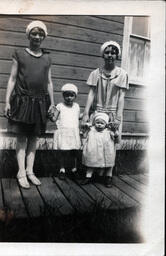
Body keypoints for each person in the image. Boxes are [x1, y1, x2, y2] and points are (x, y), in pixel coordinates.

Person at [4, 20, 55, 189]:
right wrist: (7, 102)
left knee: (34, 138)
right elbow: (12, 79)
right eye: (34, 33)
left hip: (40, 102)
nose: (37, 37)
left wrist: (52, 104)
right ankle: (20, 172)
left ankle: (30, 171)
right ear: (28, 35)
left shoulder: (47, 57)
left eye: (40, 34)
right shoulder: (19, 54)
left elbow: (49, 82)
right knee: (21, 138)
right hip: (22, 101)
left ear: (44, 37)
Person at [81, 40, 129, 187]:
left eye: (113, 52)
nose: (110, 55)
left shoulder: (122, 74)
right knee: (93, 144)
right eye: (107, 52)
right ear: (103, 54)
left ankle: (108, 174)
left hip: (113, 113)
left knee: (111, 144)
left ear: (117, 55)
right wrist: (85, 113)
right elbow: (91, 94)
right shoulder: (96, 73)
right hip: (98, 113)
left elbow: (121, 96)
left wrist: (118, 117)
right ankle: (90, 173)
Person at [52, 83, 81, 180]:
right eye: (66, 95)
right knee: (63, 152)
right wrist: (50, 114)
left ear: (75, 96)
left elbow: (77, 117)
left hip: (73, 132)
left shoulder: (76, 106)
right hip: (63, 132)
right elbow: (54, 118)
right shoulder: (60, 106)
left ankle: (74, 169)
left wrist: (86, 115)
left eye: (71, 95)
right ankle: (62, 169)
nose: (69, 97)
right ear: (63, 95)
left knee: (74, 152)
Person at [81, 112, 116, 186]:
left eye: (102, 123)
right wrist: (86, 128)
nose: (99, 124)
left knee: (108, 164)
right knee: (91, 164)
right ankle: (88, 176)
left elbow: (115, 137)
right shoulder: (91, 130)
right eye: (97, 122)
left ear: (106, 124)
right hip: (94, 151)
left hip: (106, 151)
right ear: (94, 123)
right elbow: (84, 136)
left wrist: (114, 131)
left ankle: (108, 177)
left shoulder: (108, 131)